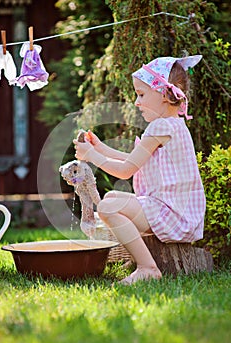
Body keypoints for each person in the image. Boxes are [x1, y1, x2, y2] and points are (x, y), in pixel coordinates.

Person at [73, 54, 206, 285]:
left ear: (165, 95)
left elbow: (126, 170)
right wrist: (101, 149)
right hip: (176, 212)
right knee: (113, 197)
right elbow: (135, 160)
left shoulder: (160, 126)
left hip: (174, 215)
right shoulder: (173, 124)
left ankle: (147, 267)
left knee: (108, 206)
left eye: (141, 94)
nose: (136, 101)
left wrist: (92, 156)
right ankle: (141, 258)